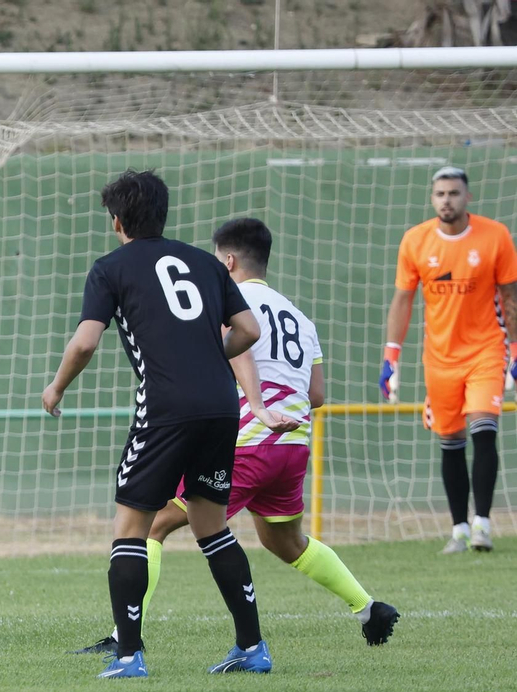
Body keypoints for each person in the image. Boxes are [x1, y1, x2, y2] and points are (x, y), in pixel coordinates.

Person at [72, 218, 399, 656]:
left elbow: (227, 349)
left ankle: (123, 638)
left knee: (153, 524)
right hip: (293, 444)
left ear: (227, 261)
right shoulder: (299, 317)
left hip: (247, 441)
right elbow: (317, 395)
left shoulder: (231, 306)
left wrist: (248, 400)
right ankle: (369, 608)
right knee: (285, 542)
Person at [42, 170, 299, 678]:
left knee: (131, 528)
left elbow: (86, 342)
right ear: (163, 214)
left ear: (117, 221)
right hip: (221, 406)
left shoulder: (109, 268)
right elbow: (248, 330)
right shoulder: (206, 263)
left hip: (165, 407)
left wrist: (56, 386)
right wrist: (211, 355)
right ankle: (252, 648)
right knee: (212, 526)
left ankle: (128, 656)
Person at [382, 165, 517, 552]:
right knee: (451, 440)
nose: (447, 200)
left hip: (487, 349)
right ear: (432, 198)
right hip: (439, 358)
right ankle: (459, 529)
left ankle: (482, 524)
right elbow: (403, 300)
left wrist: (515, 351)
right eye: (440, 194)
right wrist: (391, 357)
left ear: (467, 197)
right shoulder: (416, 240)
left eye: (454, 193)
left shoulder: (495, 236)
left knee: (484, 427)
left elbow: (510, 296)